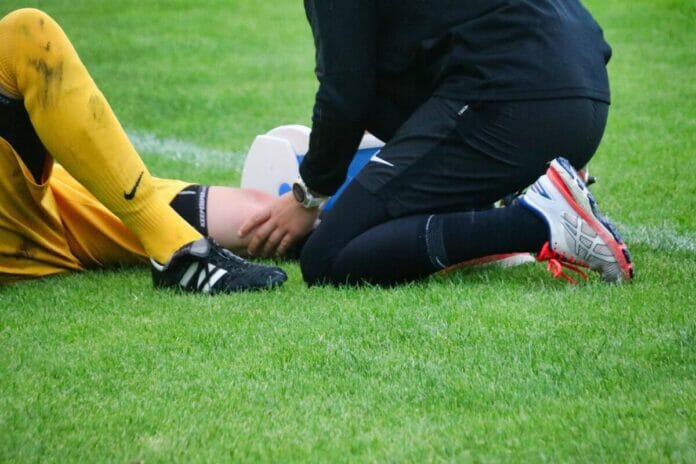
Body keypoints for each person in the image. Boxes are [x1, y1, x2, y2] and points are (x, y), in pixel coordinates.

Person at [240, 0, 635, 286]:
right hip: (585, 94)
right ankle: (499, 210)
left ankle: (533, 224)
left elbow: (345, 93)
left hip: (510, 99)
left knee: (327, 257)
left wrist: (308, 195)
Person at [0, 8, 287, 292]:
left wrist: (307, 196)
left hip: (44, 203)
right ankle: (175, 251)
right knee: (26, 36)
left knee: (260, 214)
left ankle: (168, 234)